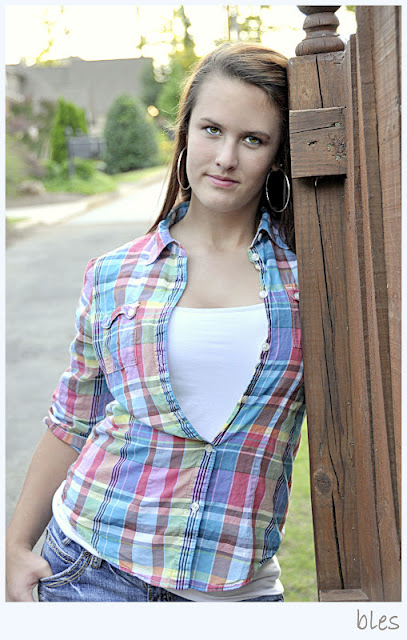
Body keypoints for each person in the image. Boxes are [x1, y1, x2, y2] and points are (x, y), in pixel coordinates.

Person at [6, 42, 305, 602]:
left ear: (277, 154)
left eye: (253, 139)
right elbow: (72, 419)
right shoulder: (113, 274)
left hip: (236, 591)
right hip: (89, 572)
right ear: (185, 133)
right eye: (211, 130)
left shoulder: (307, 283)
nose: (226, 157)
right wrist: (16, 545)